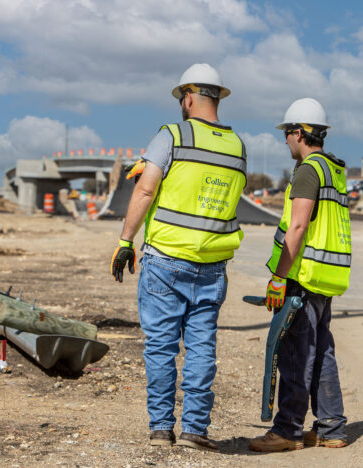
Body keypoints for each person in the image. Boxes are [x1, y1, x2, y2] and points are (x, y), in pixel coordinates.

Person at [110, 63, 247, 452]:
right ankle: (194, 431)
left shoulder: (171, 135)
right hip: (213, 265)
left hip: (166, 260)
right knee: (201, 347)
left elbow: (145, 191)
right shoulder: (237, 146)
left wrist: (125, 240)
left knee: (161, 346)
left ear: (188, 97)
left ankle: (160, 429)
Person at [249, 98, 351, 452]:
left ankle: (288, 431)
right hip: (325, 276)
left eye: (287, 133)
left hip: (302, 276)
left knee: (296, 354)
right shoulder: (334, 169)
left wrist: (279, 277)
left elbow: (298, 226)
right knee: (322, 353)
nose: (285, 140)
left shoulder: (309, 170)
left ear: (299, 133)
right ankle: (331, 428)